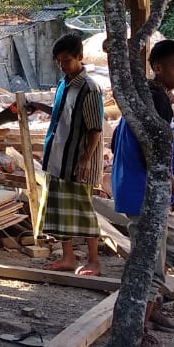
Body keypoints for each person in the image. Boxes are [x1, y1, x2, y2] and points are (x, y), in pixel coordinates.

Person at [110, 38, 174, 347]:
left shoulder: (146, 96)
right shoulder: (155, 101)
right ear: (157, 67)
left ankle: (152, 309)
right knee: (148, 268)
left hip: (147, 191)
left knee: (172, 245)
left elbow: (118, 139)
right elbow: (157, 161)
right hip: (145, 194)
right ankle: (137, 330)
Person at [39, 33, 105, 276]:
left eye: (66, 60)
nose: (62, 65)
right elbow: (62, 115)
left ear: (80, 57)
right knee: (58, 210)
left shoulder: (89, 88)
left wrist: (85, 159)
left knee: (82, 210)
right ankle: (68, 257)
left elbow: (95, 128)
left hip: (77, 161)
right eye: (58, 61)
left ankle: (94, 261)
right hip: (58, 157)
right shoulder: (64, 83)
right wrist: (37, 106)